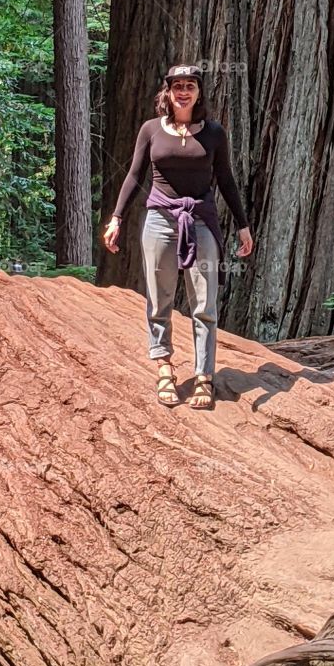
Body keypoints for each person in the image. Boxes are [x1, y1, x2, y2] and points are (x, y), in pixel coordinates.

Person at [102, 63, 254, 409]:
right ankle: (164, 366)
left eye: (190, 86)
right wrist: (116, 218)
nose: (183, 91)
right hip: (159, 219)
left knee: (204, 302)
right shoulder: (151, 130)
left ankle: (204, 375)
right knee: (160, 299)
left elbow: (226, 181)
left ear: (199, 92)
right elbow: (134, 174)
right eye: (177, 86)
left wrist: (242, 224)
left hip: (200, 219)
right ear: (167, 92)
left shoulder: (214, 133)